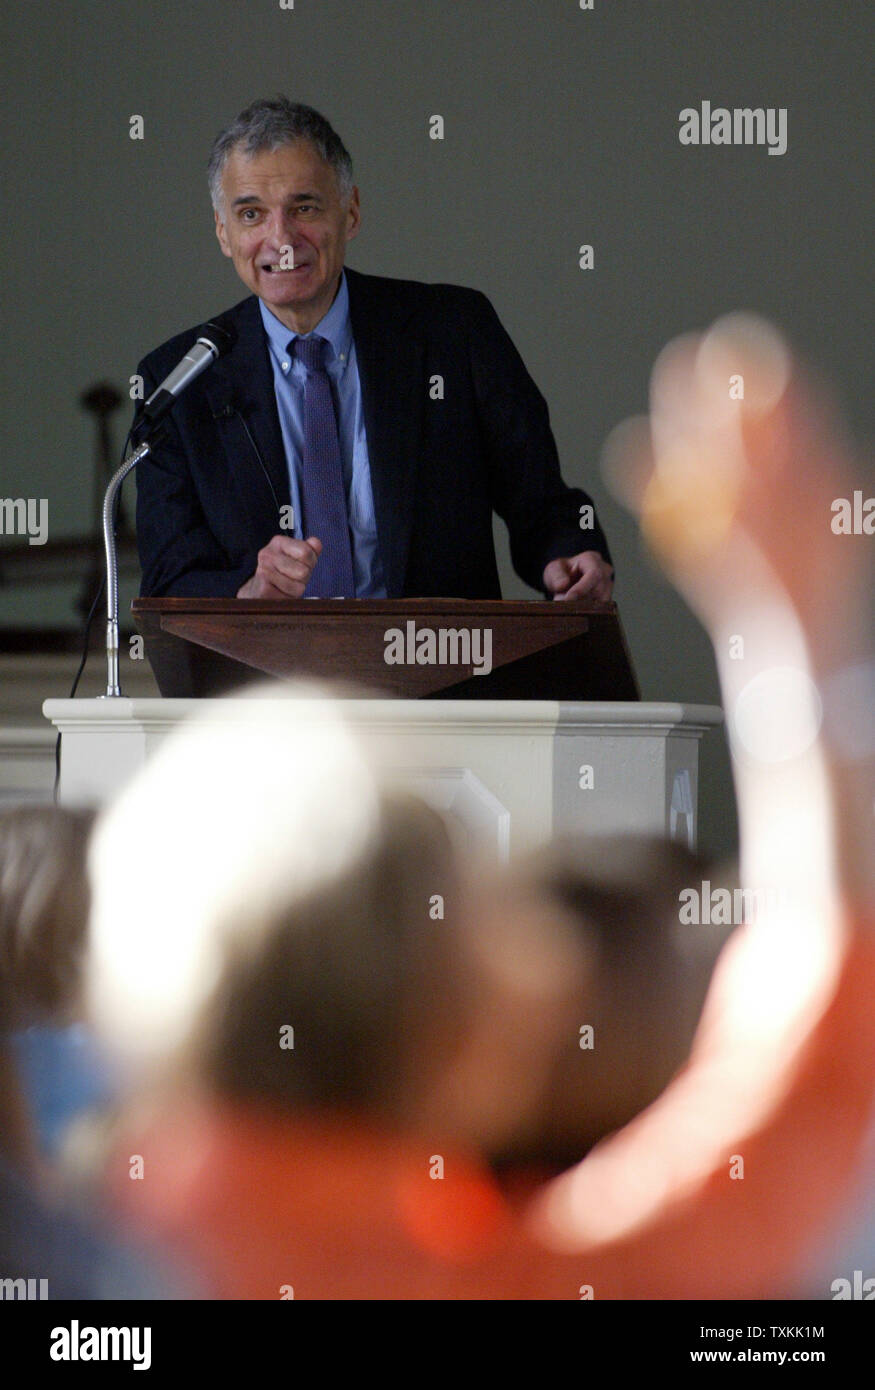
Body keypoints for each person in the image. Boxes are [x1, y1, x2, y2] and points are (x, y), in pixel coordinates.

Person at [134, 97, 614, 604]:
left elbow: (541, 503)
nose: (282, 239)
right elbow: (168, 579)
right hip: (269, 680)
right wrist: (248, 592)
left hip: (441, 671)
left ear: (351, 213)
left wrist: (568, 558)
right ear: (223, 234)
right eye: (251, 214)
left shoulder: (454, 332)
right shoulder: (180, 379)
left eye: (304, 207)